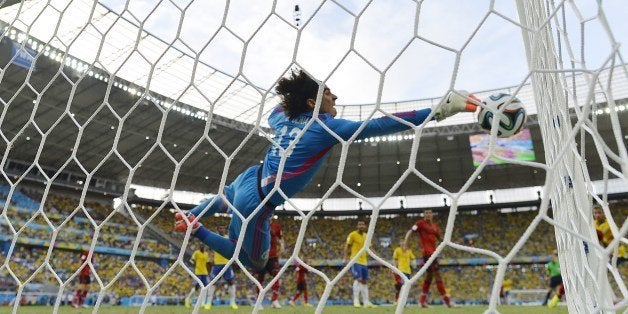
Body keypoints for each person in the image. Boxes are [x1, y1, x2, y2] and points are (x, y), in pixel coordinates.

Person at [174, 69, 478, 270]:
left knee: (223, 198)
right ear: (313, 102)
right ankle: (195, 228)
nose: (335, 98)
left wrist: (298, 96)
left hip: (247, 179)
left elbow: (277, 110)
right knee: (253, 261)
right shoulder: (326, 128)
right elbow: (380, 124)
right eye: (329, 94)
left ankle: (192, 214)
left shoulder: (281, 119)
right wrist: (438, 111)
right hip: (260, 200)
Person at [403, 209, 454, 308]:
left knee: (429, 277)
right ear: (423, 215)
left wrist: (448, 242)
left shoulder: (435, 226)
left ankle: (422, 301)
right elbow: (410, 231)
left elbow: (440, 239)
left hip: (434, 254)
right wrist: (406, 243)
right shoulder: (420, 223)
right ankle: (447, 302)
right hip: (427, 254)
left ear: (432, 215)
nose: (428, 215)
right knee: (437, 275)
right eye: (426, 213)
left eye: (429, 213)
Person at [344, 220, 376, 308]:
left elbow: (370, 248)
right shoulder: (352, 235)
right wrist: (345, 258)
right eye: (359, 224)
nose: (361, 226)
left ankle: (366, 302)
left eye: (363, 224)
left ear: (365, 226)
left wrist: (378, 257)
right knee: (358, 279)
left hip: (364, 261)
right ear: (357, 226)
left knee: (364, 281)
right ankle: (356, 301)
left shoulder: (366, 236)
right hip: (355, 260)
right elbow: (347, 246)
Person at [206, 226, 238, 310]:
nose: (222, 230)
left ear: (225, 230)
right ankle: (208, 302)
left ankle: (232, 302)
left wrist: (234, 258)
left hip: (227, 263)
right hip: (217, 264)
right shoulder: (214, 237)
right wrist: (210, 258)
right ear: (217, 229)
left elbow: (234, 249)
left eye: (223, 228)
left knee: (231, 282)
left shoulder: (229, 238)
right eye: (220, 228)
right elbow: (209, 249)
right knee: (213, 282)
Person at [255, 217, 284, 308]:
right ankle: (258, 302)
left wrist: (282, 246)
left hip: (273, 256)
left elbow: (281, 238)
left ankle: (274, 300)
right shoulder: (259, 223)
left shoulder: (276, 226)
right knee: (260, 278)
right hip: (261, 256)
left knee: (276, 276)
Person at [392, 240, 415, 304]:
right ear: (400, 245)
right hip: (401, 270)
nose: (403, 246)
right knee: (401, 285)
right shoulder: (397, 250)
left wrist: (414, 263)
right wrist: (395, 268)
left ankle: (403, 300)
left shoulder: (409, 251)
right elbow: (395, 259)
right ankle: (400, 301)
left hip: (408, 271)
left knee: (405, 286)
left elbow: (413, 258)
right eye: (402, 244)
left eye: (404, 244)